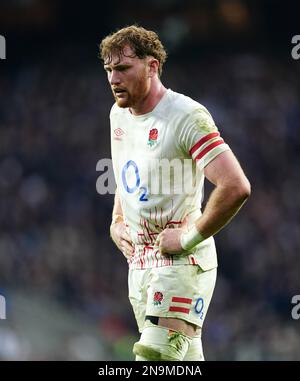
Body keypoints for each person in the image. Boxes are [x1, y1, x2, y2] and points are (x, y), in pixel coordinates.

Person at [99, 25, 251, 361]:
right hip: (139, 265)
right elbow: (126, 177)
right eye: (109, 70)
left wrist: (186, 238)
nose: (113, 79)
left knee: (154, 361)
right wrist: (117, 220)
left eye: (123, 68)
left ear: (152, 66)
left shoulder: (186, 116)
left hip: (182, 264)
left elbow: (236, 186)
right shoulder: (118, 115)